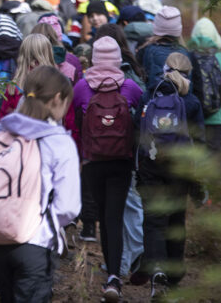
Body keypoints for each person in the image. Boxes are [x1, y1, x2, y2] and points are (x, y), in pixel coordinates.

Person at [0, 66, 81, 303]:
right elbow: (68, 206)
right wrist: (41, 226)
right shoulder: (59, 141)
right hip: (33, 243)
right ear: (57, 98)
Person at [69, 37, 144, 302]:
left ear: (95, 58)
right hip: (122, 163)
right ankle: (114, 277)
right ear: (117, 59)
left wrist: (78, 155)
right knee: (115, 217)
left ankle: (110, 275)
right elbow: (143, 124)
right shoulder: (131, 87)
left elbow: (73, 125)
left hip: (92, 163)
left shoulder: (81, 88)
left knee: (103, 217)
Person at [135, 54, 205, 299]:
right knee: (176, 221)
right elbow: (199, 140)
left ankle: (156, 272)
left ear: (163, 70)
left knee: (154, 221)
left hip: (151, 165)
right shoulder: (192, 102)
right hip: (180, 169)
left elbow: (137, 129)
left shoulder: (149, 95)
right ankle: (174, 282)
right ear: (189, 73)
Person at [187, 17, 221, 178]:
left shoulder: (187, 57)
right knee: (215, 157)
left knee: (195, 156)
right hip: (216, 118)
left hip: (194, 118)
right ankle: (214, 195)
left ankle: (198, 193)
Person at [0, 33, 58, 120]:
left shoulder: (13, 87)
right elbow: (68, 120)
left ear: (22, 55)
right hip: (50, 132)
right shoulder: (57, 84)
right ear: (49, 54)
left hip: (20, 132)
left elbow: (4, 118)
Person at [138, 6, 190, 94]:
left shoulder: (147, 50)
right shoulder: (185, 52)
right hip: (181, 104)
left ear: (156, 26)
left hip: (155, 103)